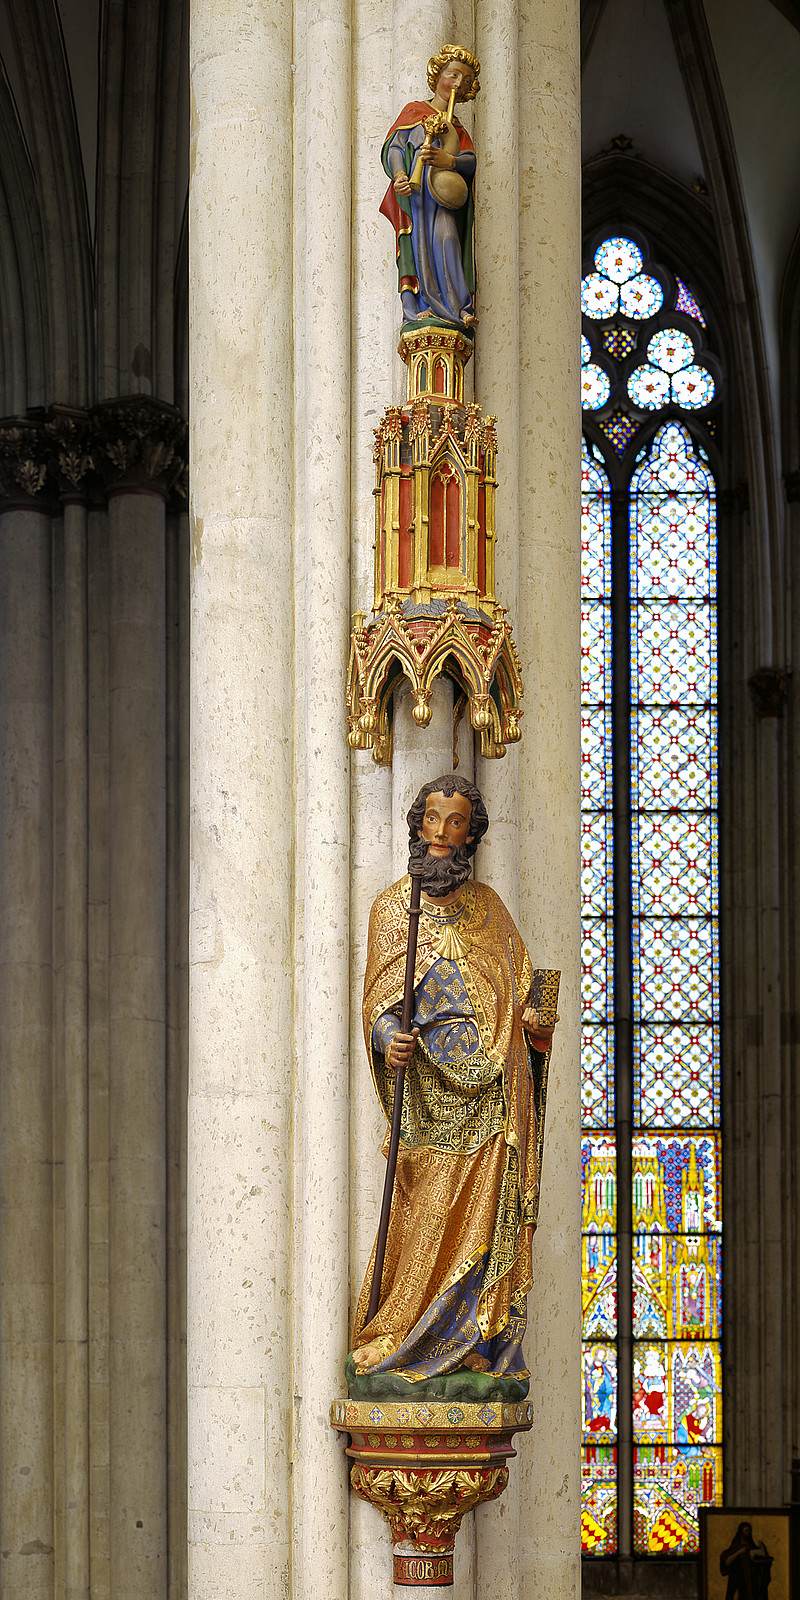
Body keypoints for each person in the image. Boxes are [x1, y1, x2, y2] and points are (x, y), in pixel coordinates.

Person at [351, 774, 556, 1384]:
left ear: (473, 833)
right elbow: (378, 1000)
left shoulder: (490, 908)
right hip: (429, 1098)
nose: (442, 834)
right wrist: (389, 1038)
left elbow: (518, 991)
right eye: (433, 820)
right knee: (426, 1216)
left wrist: (536, 1024)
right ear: (417, 824)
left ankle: (478, 1339)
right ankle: (407, 1337)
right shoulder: (395, 907)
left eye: (457, 822)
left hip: (493, 1096)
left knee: (489, 1219)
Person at [380, 45, 480, 328]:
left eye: (465, 81)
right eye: (453, 75)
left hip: (442, 199)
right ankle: (416, 305)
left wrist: (448, 159)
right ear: (437, 76)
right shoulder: (414, 112)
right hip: (415, 200)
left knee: (448, 239)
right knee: (413, 248)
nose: (458, 84)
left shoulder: (457, 128)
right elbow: (395, 147)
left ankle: (456, 305)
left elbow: (469, 162)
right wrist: (400, 175)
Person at [720, 1521, 773, 1599]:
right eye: (746, 1530)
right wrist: (739, 1552)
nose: (748, 1533)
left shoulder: (752, 1547)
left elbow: (760, 1564)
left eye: (749, 1531)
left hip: (751, 1582)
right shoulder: (735, 1547)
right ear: (741, 1532)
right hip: (738, 1579)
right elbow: (726, 1563)